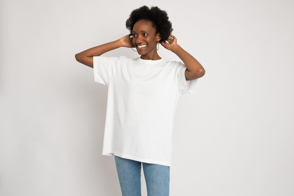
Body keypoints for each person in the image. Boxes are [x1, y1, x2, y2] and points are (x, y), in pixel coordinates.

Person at [75, 5, 205, 196]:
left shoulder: (171, 70)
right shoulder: (120, 66)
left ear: (158, 36)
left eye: (145, 34)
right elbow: (81, 57)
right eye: (134, 35)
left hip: (156, 150)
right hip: (124, 147)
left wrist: (175, 48)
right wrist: (118, 43)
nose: (138, 40)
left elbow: (198, 71)